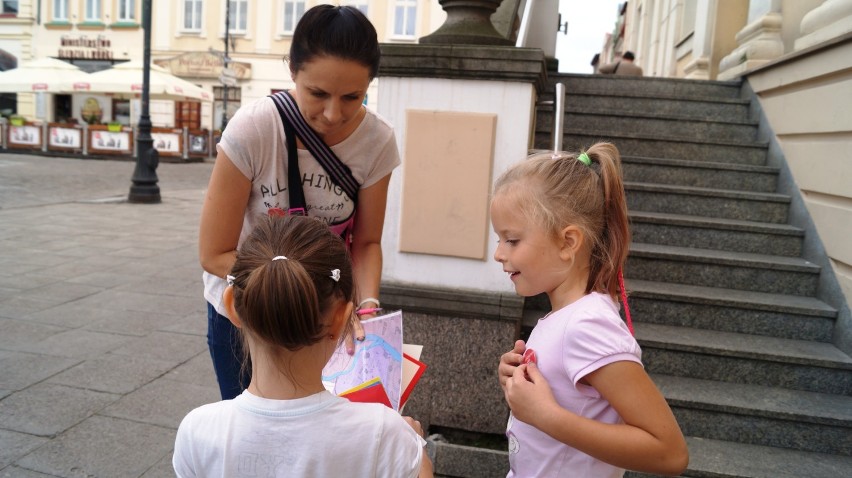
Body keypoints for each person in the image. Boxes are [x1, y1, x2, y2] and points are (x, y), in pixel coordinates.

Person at [199, 5, 399, 400]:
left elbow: (367, 242)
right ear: (292, 70)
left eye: (352, 97)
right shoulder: (254, 128)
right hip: (248, 310)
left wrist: (368, 307)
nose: (332, 113)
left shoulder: (377, 142)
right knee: (250, 428)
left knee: (323, 434)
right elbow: (214, 253)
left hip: (327, 315)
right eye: (318, 93)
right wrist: (295, 289)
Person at [175, 214, 433, 478]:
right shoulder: (385, 434)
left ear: (232, 307)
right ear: (341, 319)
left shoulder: (197, 432)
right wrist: (416, 450)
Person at [493, 144, 689, 477]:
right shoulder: (567, 317)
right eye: (498, 239)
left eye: (511, 240)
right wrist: (519, 381)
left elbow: (669, 453)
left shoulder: (587, 324)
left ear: (568, 242)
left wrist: (545, 415)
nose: (499, 253)